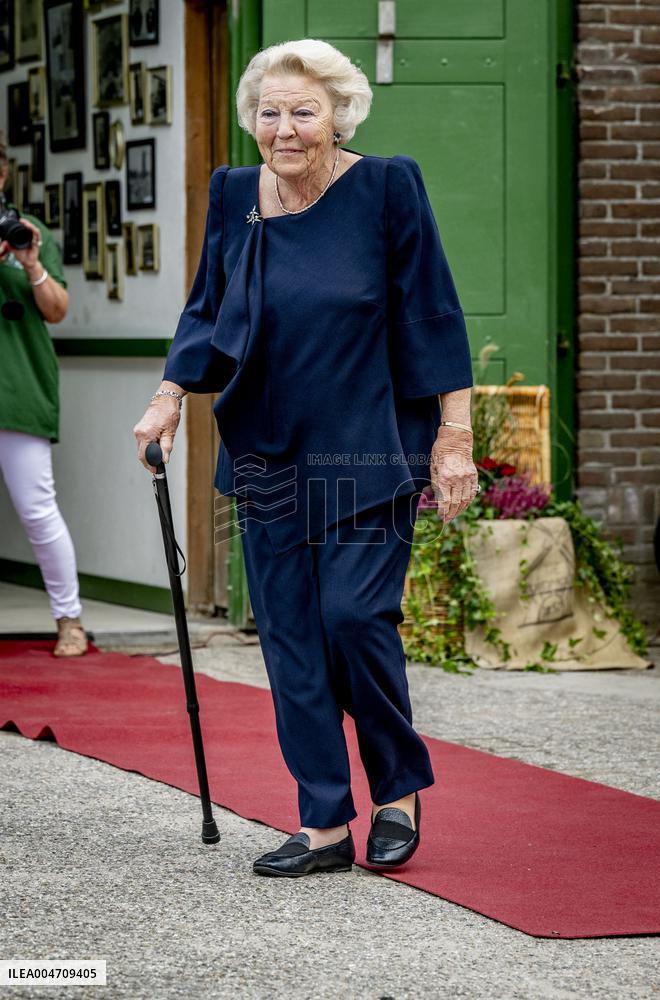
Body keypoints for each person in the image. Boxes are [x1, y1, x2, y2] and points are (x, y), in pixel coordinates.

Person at [133, 39, 478, 876]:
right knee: (289, 637)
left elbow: (431, 311)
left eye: (303, 111)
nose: (283, 128)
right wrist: (170, 397)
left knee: (354, 620)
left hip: (367, 447)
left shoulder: (386, 186)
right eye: (269, 112)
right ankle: (323, 822)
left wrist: (454, 436)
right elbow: (207, 309)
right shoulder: (233, 194)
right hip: (268, 451)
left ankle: (397, 790)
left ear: (338, 116)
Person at [0, 141, 88, 657]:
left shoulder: (27, 231)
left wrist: (30, 264)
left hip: (20, 388)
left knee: (37, 510)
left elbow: (56, 310)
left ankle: (69, 620)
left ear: (4, 176)